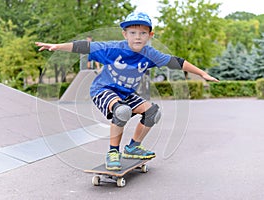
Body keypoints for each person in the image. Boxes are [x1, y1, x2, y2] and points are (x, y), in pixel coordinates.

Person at [35, 12, 219, 171]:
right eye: (132, 33)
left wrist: (202, 73)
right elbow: (85, 46)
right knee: (121, 111)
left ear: (150, 35)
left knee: (152, 113)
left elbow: (177, 62)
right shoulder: (114, 48)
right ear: (125, 34)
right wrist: (58, 46)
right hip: (103, 90)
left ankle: (132, 148)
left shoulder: (151, 54)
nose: (137, 37)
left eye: (142, 33)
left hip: (126, 93)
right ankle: (113, 152)